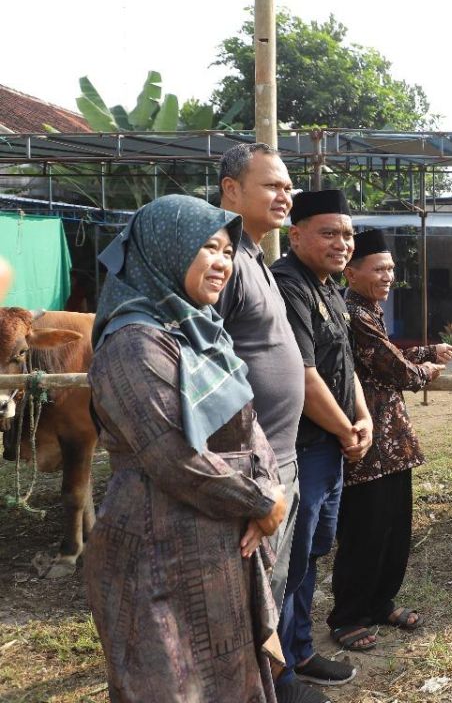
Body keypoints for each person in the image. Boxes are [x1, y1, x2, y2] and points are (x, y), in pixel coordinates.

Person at [85, 195, 287, 702]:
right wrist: (261, 502)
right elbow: (171, 454)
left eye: (227, 251)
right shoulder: (133, 342)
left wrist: (269, 483)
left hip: (218, 545)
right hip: (158, 555)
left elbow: (248, 420)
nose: (222, 262)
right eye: (207, 248)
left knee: (230, 678)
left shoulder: (201, 334)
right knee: (172, 683)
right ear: (165, 252)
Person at [216, 144, 320, 703]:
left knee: (273, 582)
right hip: (254, 463)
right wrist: (247, 474)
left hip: (285, 453)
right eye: (271, 186)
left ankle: (273, 678)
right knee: (249, 588)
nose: (285, 196)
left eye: (287, 188)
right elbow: (210, 367)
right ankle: (256, 686)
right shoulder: (223, 259)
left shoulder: (257, 254)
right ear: (231, 190)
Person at [326, 229, 452, 648]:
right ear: (351, 273)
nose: (388, 276)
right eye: (380, 269)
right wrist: (426, 371)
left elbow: (386, 357)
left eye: (392, 269)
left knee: (394, 531)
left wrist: (427, 351)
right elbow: (395, 370)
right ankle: (347, 617)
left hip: (393, 446)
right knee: (364, 532)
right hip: (367, 444)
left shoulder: (369, 313)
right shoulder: (353, 315)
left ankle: (380, 603)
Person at [273, 189, 373, 688]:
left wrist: (363, 418)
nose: (343, 243)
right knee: (288, 560)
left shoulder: (330, 286)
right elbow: (303, 375)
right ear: (296, 235)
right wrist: (343, 427)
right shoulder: (286, 284)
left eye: (348, 234)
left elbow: (343, 364)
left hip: (330, 443)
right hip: (299, 447)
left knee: (312, 551)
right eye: (329, 232)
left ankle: (302, 650)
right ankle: (280, 671)